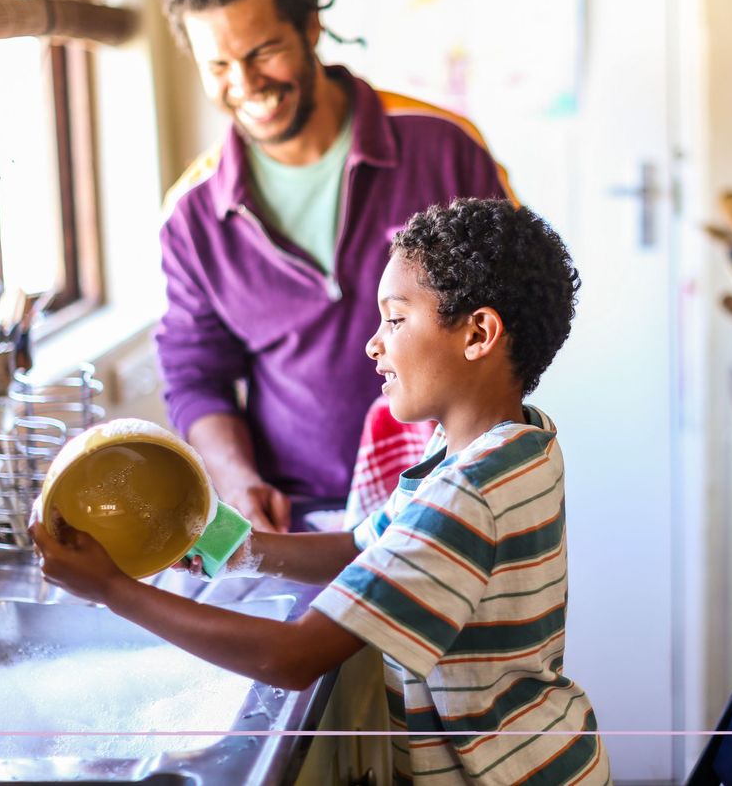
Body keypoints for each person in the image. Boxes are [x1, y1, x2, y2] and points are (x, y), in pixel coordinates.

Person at [32, 198, 611, 785]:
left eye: (395, 318)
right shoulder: (509, 443)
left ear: (478, 333)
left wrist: (112, 591)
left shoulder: (468, 494)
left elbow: (291, 657)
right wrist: (219, 540)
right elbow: (360, 550)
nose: (373, 344)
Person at [156, 0, 513, 533]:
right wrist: (237, 480)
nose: (244, 83)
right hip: (297, 515)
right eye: (217, 65)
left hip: (455, 496)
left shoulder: (443, 147)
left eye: (263, 51)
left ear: (311, 27)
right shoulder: (191, 215)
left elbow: (513, 316)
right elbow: (196, 375)